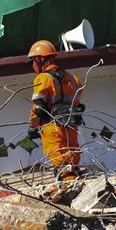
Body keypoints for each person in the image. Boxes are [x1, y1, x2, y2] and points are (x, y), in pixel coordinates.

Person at [27, 40, 84, 181]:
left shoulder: (43, 78)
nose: (33, 65)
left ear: (39, 59)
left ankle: (69, 182)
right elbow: (77, 103)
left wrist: (33, 125)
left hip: (52, 125)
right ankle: (75, 177)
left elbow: (38, 108)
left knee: (60, 159)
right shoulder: (73, 78)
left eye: (33, 61)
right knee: (72, 156)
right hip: (71, 124)